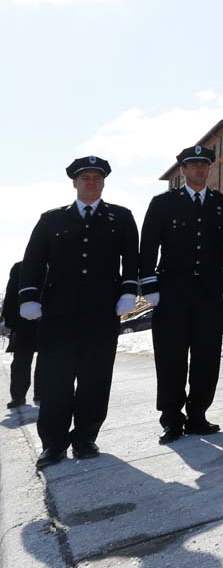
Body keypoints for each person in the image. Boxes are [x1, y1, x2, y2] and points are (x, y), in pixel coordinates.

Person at [20, 156, 139, 468]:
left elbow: (132, 260)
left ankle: (85, 437)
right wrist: (29, 297)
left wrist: (129, 291)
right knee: (56, 379)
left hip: (101, 312)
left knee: (95, 379)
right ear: (74, 182)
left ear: (103, 182)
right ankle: (53, 444)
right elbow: (32, 261)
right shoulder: (51, 220)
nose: (91, 182)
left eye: (96, 177)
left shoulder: (121, 218)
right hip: (59, 314)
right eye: (85, 177)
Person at [140, 145, 223, 445]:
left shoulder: (222, 205)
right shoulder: (163, 203)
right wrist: (150, 287)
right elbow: (147, 247)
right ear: (182, 170)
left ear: (210, 168)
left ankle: (198, 415)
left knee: (206, 357)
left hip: (210, 295)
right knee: (171, 358)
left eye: (204, 165)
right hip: (172, 294)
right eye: (193, 165)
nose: (199, 170)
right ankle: (171, 419)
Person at [3, 261, 40, 408]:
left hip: (47, 322)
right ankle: (18, 397)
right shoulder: (20, 267)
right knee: (20, 362)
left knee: (47, 361)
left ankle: (42, 394)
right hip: (23, 322)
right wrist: (10, 321)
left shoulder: (56, 265)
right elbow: (11, 293)